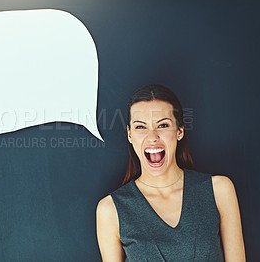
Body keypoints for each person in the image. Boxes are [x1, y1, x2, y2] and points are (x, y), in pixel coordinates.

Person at [96, 84, 245, 261]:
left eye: (163, 125)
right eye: (140, 127)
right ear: (130, 135)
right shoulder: (110, 210)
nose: (152, 137)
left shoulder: (219, 190)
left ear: (179, 131)